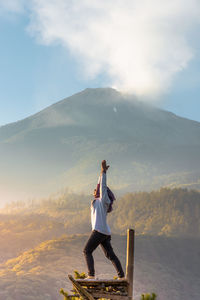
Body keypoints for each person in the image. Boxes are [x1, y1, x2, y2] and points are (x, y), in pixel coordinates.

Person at [83, 160, 125, 280]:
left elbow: (102, 186)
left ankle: (91, 275)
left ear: (103, 193)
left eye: (99, 190)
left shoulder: (104, 201)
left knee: (86, 251)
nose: (95, 190)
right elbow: (99, 185)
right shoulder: (97, 202)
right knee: (110, 255)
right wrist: (100, 174)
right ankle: (121, 276)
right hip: (105, 232)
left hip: (99, 231)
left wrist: (104, 172)